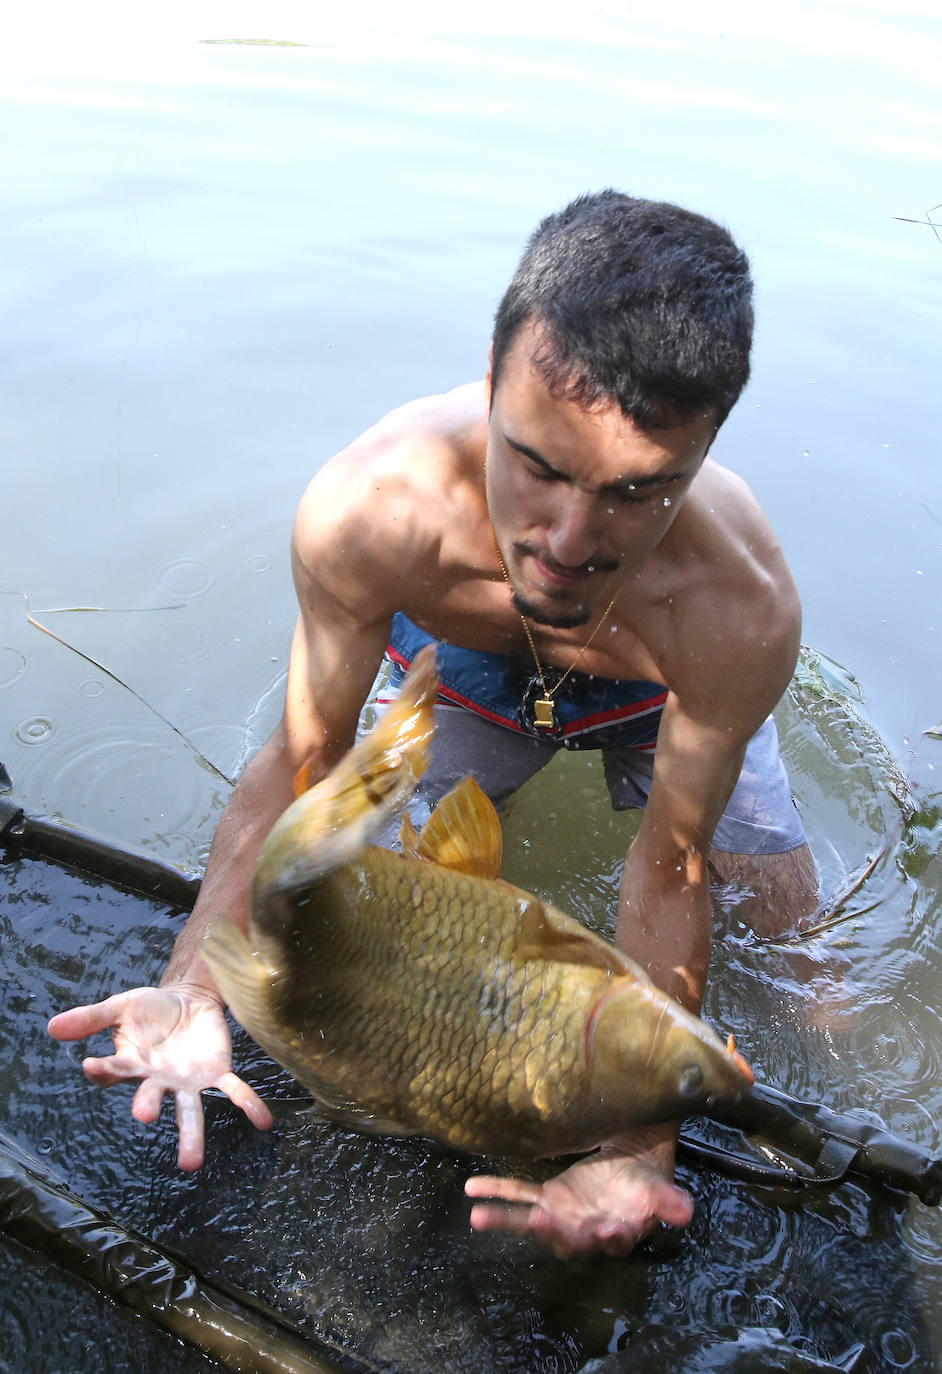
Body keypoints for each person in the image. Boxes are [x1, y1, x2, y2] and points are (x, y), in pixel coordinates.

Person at [48, 190, 819, 1259]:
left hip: (657, 683)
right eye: (537, 466)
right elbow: (305, 758)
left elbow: (668, 865)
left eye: (637, 494)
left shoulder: (741, 610)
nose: (569, 540)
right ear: (491, 381)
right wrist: (195, 980)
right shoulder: (373, 509)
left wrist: (640, 1150)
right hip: (460, 669)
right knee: (380, 926)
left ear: (705, 451)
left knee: (804, 957)